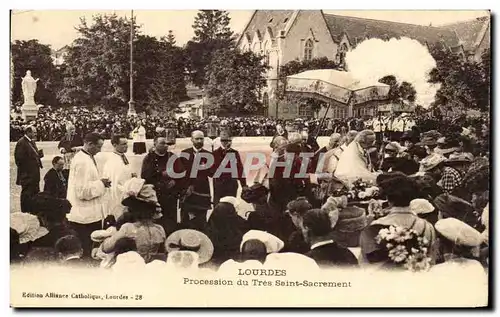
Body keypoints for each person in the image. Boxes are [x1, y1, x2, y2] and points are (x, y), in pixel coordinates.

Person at [359, 172, 437, 265]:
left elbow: (366, 263)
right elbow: (431, 258)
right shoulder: (427, 226)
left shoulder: (376, 225)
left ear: (388, 199)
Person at [66, 133, 110, 259]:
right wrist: (101, 184)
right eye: (98, 147)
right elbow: (82, 192)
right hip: (84, 216)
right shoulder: (82, 161)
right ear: (90, 144)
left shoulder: (87, 157)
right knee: (86, 251)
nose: (99, 150)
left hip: (87, 213)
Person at [101, 182, 166, 263]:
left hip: (134, 266)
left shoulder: (128, 228)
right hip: (152, 266)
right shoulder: (160, 229)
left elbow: (106, 248)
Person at [141, 135, 185, 232]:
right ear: (155, 144)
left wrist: (175, 181)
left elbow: (181, 172)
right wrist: (161, 174)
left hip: (171, 196)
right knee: (156, 221)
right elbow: (145, 176)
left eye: (166, 143)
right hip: (156, 195)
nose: (165, 145)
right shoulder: (149, 158)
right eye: (162, 143)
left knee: (171, 220)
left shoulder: (172, 156)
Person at [180, 131, 214, 228]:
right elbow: (181, 173)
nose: (199, 141)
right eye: (197, 139)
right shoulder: (184, 153)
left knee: (201, 220)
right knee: (185, 220)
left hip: (202, 191)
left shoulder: (209, 155)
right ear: (191, 139)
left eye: (201, 138)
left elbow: (211, 174)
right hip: (187, 191)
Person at [102, 134, 135, 220]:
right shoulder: (112, 161)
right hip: (118, 197)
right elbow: (113, 183)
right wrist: (127, 191)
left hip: (127, 194)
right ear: (115, 145)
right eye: (123, 144)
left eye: (126, 143)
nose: (126, 146)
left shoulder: (123, 156)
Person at [212, 131, 247, 205]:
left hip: (231, 184)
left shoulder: (235, 153)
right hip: (219, 185)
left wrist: (243, 184)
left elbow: (240, 169)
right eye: (223, 140)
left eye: (227, 140)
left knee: (230, 207)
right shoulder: (214, 154)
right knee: (218, 207)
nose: (225, 142)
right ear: (220, 141)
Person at [14, 125, 43, 213]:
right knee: (26, 194)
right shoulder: (21, 143)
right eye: (34, 132)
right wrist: (28, 170)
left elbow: (32, 154)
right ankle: (25, 212)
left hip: (34, 174)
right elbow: (19, 160)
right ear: (28, 132)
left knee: (34, 193)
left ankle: (32, 210)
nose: (36, 134)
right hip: (27, 176)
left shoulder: (31, 142)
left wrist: (38, 155)